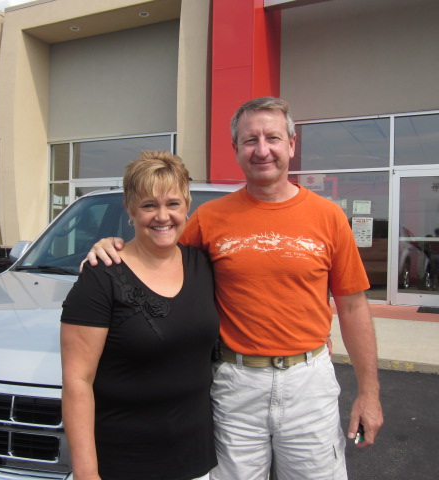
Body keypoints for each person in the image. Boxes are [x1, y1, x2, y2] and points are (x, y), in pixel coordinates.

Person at [85, 97, 384, 480]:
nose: (262, 150)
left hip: (308, 384)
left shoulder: (329, 217)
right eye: (250, 140)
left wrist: (369, 394)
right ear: (236, 150)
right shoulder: (209, 219)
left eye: (273, 138)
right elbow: (159, 256)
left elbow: (354, 307)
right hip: (235, 385)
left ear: (291, 145)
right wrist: (113, 249)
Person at [60, 151, 219, 480]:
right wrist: (86, 473)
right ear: (130, 210)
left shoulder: (202, 265)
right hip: (124, 462)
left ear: (187, 207)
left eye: (173, 203)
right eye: (149, 205)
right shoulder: (102, 275)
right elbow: (77, 382)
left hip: (197, 460)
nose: (163, 216)